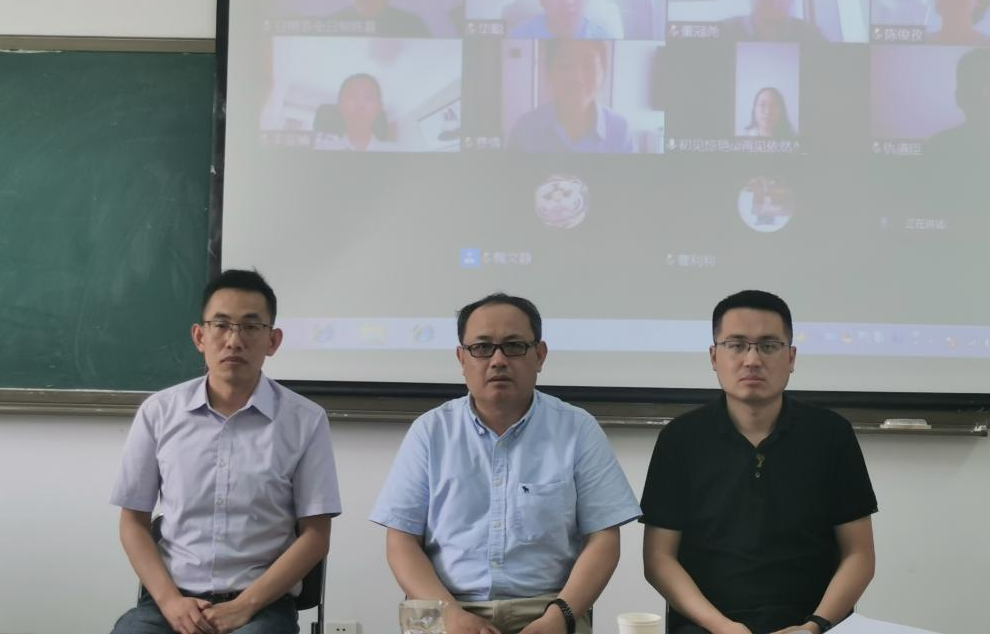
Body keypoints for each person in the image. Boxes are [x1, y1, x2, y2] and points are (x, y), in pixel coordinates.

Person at [370, 293, 641, 634]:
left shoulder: (577, 429)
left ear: (539, 355)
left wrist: (559, 617)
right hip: (445, 608)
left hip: (547, 609)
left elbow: (604, 539)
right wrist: (451, 615)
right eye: (482, 347)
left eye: (514, 346)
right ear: (461, 358)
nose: (498, 360)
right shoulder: (430, 431)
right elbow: (401, 541)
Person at [109, 269, 341, 634]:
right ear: (199, 336)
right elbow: (133, 523)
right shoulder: (159, 412)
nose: (234, 340)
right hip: (170, 603)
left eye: (250, 327)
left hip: (261, 607)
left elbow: (315, 536)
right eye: (221, 325)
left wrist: (242, 607)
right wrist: (170, 602)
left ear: (273, 340)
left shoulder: (305, 421)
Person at [641, 290, 877, 634]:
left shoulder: (831, 435)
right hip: (708, 627)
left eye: (768, 346)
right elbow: (658, 559)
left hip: (813, 625)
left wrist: (814, 625)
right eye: (736, 345)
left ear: (791, 357)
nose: (752, 360)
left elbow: (859, 555)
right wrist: (723, 627)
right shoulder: (680, 439)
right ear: (713, 357)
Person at [506, 40, 635, 153]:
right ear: (548, 72)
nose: (577, 79)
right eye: (565, 66)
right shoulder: (525, 129)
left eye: (588, 66)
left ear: (603, 72)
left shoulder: (621, 131)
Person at [314, 73, 395, 151]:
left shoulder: (394, 152)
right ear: (340, 105)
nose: (360, 105)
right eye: (352, 96)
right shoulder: (320, 150)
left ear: (379, 107)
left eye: (368, 97)